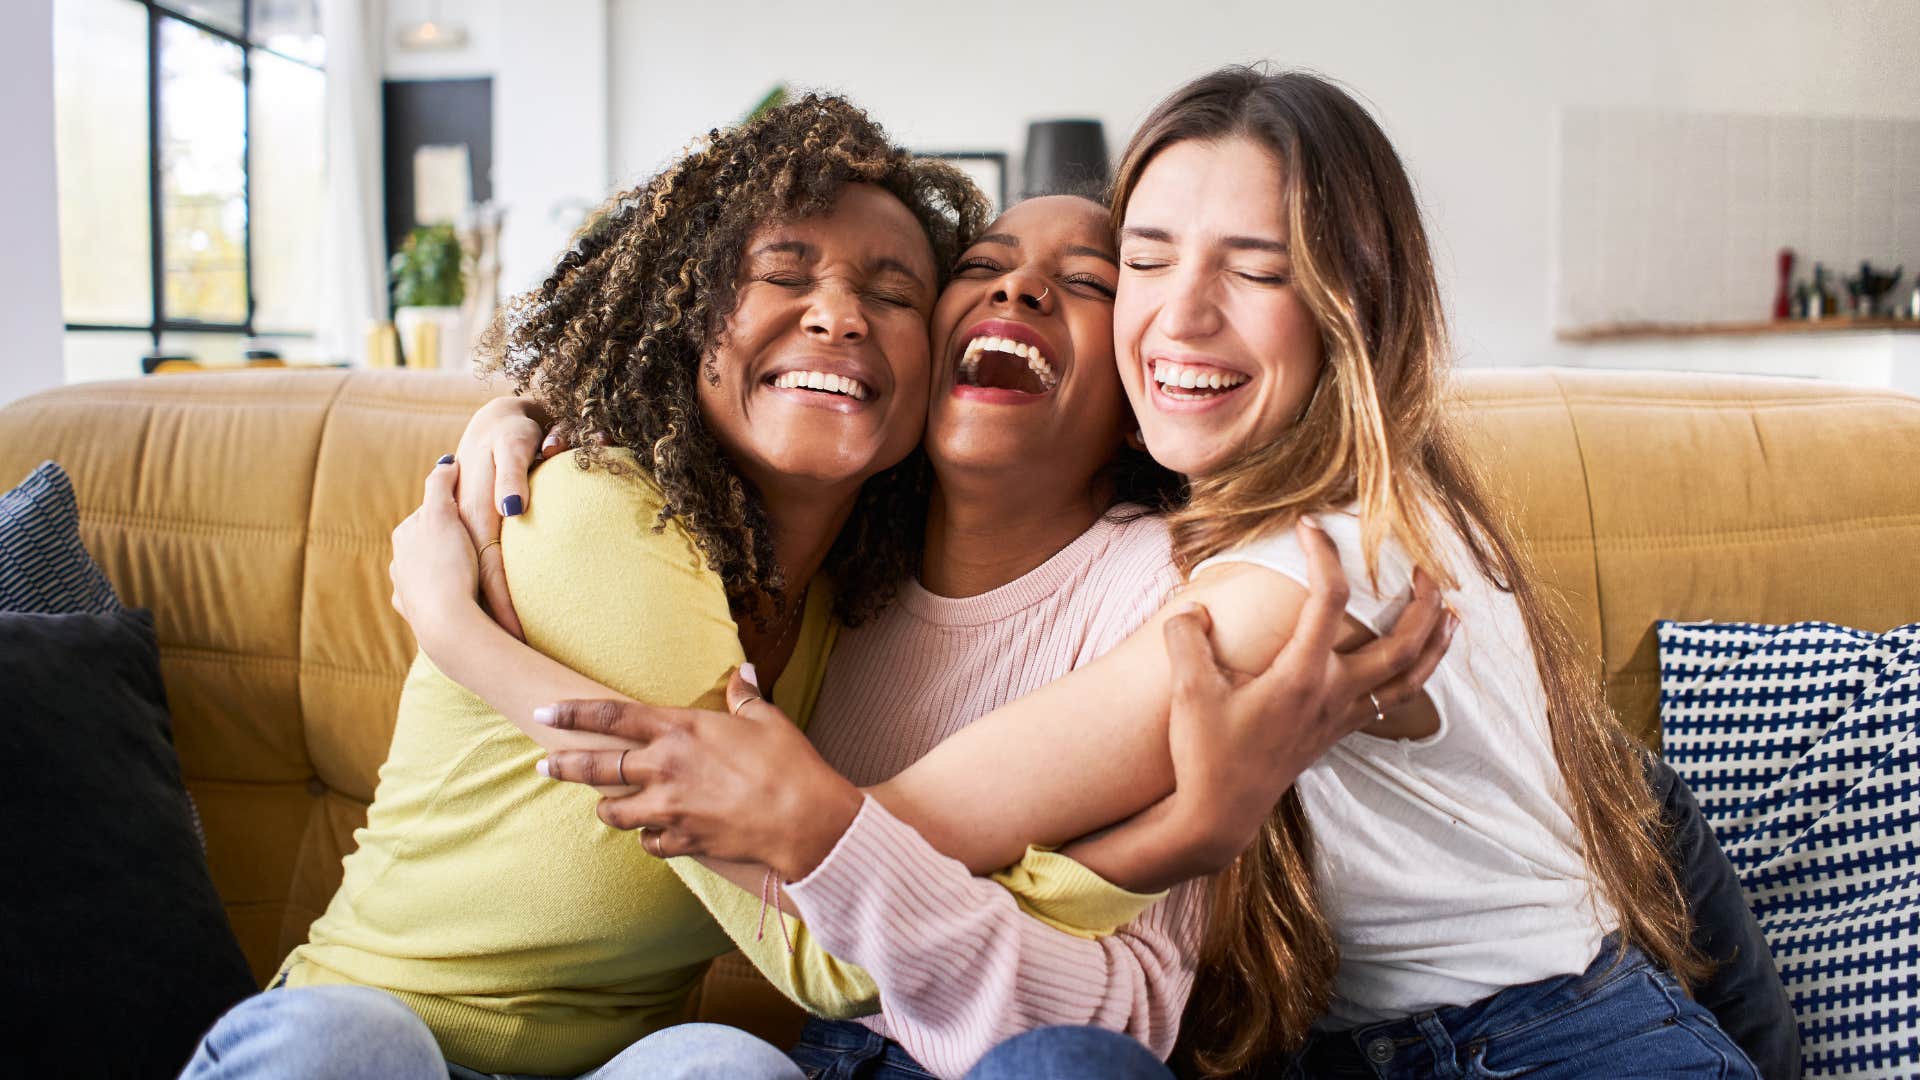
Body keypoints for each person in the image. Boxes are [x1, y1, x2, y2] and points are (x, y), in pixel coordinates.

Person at [534, 68, 1767, 1079]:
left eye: (1256, 267)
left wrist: (493, 653)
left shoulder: (1301, 573)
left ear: (1356, 304)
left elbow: (890, 830)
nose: (1177, 315)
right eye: (1154, 260)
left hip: (1551, 1046)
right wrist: (534, 411)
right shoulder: (879, 538)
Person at [418, 193, 1444, 1080]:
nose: (1019, 290)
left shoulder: (1175, 594)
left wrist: (462, 633)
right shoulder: (829, 566)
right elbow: (714, 392)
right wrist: (521, 409)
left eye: (1085, 282)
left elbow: (1125, 1015)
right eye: (982, 268)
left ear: (1141, 396)